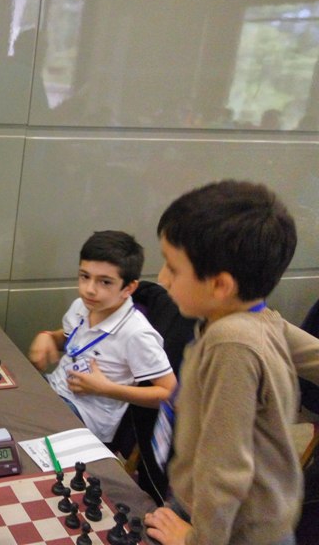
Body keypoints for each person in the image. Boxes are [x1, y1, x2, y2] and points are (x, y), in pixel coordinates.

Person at [143, 180, 301, 545]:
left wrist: (196, 540)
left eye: (172, 268)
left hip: (234, 532)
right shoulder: (255, 318)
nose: (162, 279)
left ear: (220, 286)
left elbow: (224, 469)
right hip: (210, 511)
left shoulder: (231, 343)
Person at [28, 230, 176, 443]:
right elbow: (71, 339)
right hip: (55, 388)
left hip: (86, 414)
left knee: (19, 428)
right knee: (3, 394)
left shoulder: (136, 334)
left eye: (105, 282)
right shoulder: (81, 306)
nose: (89, 290)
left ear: (129, 288)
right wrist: (48, 337)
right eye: (85, 276)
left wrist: (106, 389)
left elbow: (169, 394)